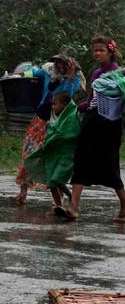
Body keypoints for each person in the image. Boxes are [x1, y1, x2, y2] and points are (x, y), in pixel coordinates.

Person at [66, 35, 125, 222]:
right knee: (81, 159)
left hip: (110, 124)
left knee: (109, 165)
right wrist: (75, 108)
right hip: (92, 121)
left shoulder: (121, 72)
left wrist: (124, 86)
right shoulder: (95, 73)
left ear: (111, 51)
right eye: (95, 50)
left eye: (101, 50)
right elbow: (90, 100)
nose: (97, 53)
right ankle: (73, 208)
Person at [12, 53, 83, 204]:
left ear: (69, 65)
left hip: (56, 123)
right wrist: (17, 74)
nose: (59, 65)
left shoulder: (74, 79)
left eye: (63, 63)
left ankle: (60, 197)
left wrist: (69, 77)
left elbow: (66, 97)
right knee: (28, 153)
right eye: (57, 62)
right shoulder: (48, 71)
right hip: (39, 119)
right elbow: (33, 72)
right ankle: (22, 193)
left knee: (50, 157)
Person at [24, 92, 80, 212]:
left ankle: (70, 196)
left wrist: (53, 132)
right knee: (51, 181)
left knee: (56, 179)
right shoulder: (59, 118)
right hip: (52, 153)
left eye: (55, 104)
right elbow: (54, 130)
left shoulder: (71, 116)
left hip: (65, 154)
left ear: (65, 104)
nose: (53, 107)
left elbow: (69, 133)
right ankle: (59, 205)